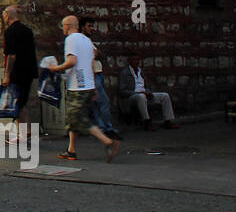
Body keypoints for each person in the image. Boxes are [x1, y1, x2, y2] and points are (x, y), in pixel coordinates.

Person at [48, 15, 120, 162]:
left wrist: (55, 68)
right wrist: (93, 87)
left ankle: (108, 141)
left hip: (77, 86)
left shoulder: (71, 40)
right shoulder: (86, 40)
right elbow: (91, 64)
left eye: (63, 26)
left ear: (68, 25)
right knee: (73, 119)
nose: (63, 29)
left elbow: (72, 61)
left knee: (77, 119)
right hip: (88, 85)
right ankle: (71, 150)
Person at [1, 5, 38, 136]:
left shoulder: (10, 32)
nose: (4, 18)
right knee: (22, 101)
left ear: (7, 15)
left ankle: (22, 134)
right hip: (29, 71)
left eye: (4, 16)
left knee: (17, 103)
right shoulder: (27, 30)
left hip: (17, 71)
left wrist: (7, 75)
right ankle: (26, 130)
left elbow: (11, 55)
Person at [80, 20, 120, 140]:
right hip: (93, 75)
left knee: (96, 104)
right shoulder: (83, 40)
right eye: (89, 26)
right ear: (82, 27)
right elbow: (95, 54)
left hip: (96, 75)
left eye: (92, 26)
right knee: (103, 102)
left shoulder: (87, 40)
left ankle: (102, 128)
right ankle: (107, 128)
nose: (92, 29)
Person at [117, 55, 178, 130]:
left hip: (144, 94)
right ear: (130, 61)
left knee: (165, 96)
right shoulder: (125, 73)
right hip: (132, 97)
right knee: (141, 97)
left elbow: (146, 86)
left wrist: (148, 92)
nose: (136, 62)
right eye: (134, 60)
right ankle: (147, 121)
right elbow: (122, 90)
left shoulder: (140, 71)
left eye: (138, 60)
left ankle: (168, 120)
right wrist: (138, 93)